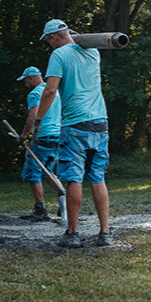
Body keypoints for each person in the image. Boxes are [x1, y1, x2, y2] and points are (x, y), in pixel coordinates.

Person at [36, 19, 112, 248]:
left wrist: (38, 119)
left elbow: (50, 91)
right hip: (100, 121)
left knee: (74, 179)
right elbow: (76, 41)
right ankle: (105, 233)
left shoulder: (59, 55)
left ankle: (72, 233)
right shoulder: (93, 52)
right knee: (97, 178)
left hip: (75, 124)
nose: (49, 44)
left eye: (49, 40)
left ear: (53, 37)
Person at [16, 65, 62, 220]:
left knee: (33, 172)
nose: (25, 84)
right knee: (48, 172)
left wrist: (23, 136)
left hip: (42, 137)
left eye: (25, 81)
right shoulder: (56, 92)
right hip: (57, 136)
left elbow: (33, 117)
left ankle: (40, 210)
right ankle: (66, 202)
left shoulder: (35, 93)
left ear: (30, 78)